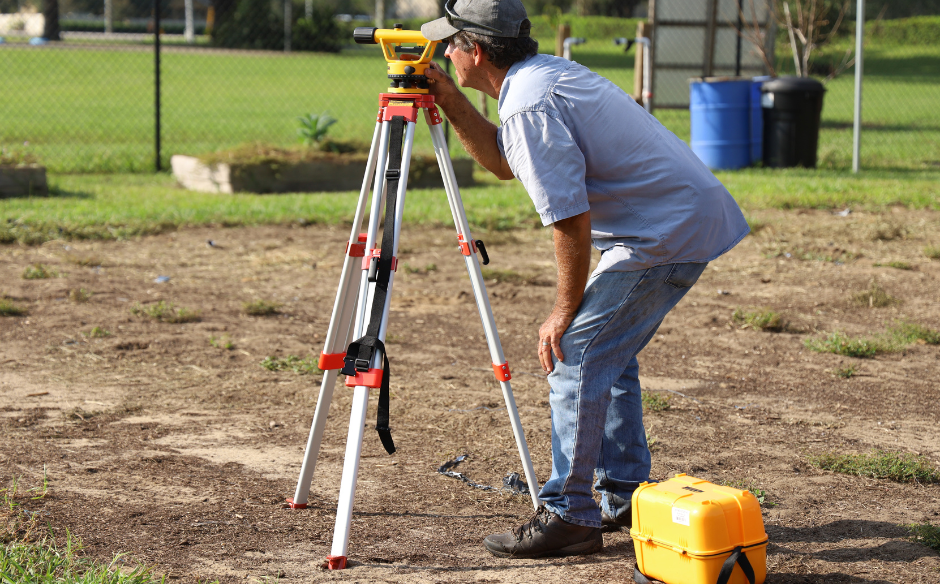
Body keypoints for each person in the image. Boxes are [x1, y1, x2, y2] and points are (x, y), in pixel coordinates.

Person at [421, 0, 750, 559]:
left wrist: (561, 308)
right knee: (606, 354)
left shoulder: (529, 103)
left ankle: (569, 513)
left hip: (663, 234)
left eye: (449, 44)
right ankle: (623, 494)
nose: (442, 52)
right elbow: (505, 163)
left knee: (574, 351)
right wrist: (450, 100)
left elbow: (570, 216)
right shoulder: (540, 77)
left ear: (476, 51)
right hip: (673, 222)